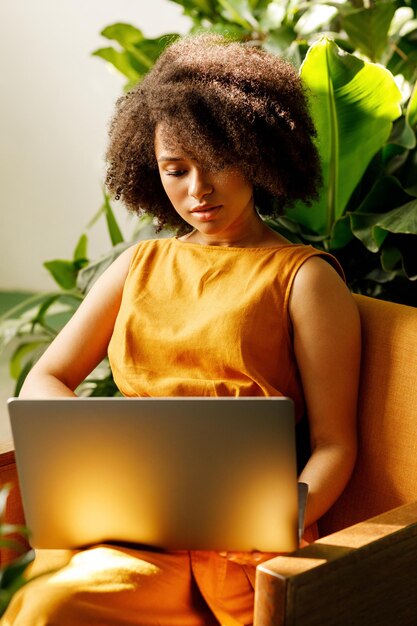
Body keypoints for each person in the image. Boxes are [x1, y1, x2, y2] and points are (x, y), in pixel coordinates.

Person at [2, 34, 361, 626]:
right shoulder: (137, 266)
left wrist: (288, 513)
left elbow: (334, 445)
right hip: (129, 528)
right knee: (42, 603)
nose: (198, 190)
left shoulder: (305, 280)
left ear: (256, 153)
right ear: (150, 170)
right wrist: (95, 454)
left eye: (217, 162)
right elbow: (47, 378)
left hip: (243, 544)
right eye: (176, 169)